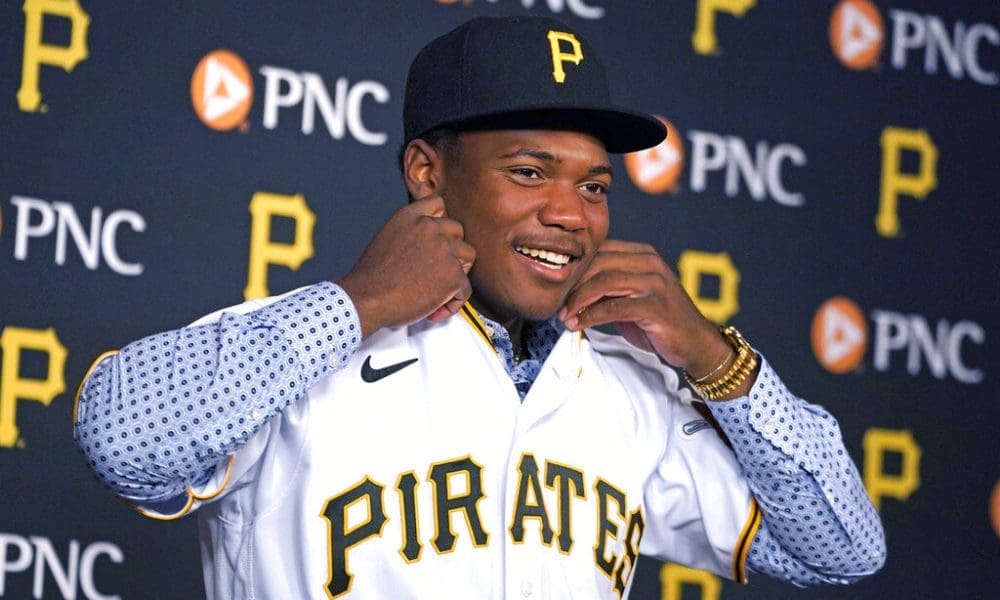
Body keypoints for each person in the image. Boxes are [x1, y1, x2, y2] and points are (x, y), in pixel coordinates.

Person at [73, 15, 885, 600]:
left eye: (594, 186)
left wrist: (714, 359)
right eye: (530, 172)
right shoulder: (298, 349)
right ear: (427, 174)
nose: (572, 214)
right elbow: (120, 439)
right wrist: (362, 300)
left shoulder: (629, 382)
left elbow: (842, 550)